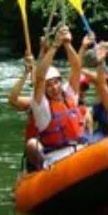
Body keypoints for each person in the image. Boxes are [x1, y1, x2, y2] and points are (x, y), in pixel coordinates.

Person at [28, 26, 89, 169]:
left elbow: (76, 68)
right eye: (49, 85)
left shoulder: (70, 96)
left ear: (60, 82)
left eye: (56, 82)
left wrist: (67, 43)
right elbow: (40, 77)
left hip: (81, 152)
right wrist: (55, 46)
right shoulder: (41, 106)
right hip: (57, 159)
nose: (54, 88)